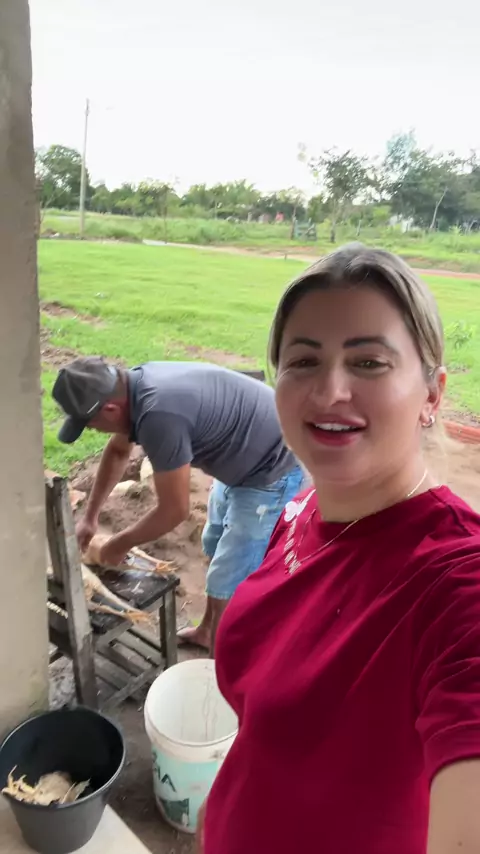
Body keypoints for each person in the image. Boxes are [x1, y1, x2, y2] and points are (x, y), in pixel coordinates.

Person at [199, 244, 480, 854]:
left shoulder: (458, 582)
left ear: (432, 395)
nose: (330, 391)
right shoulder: (305, 507)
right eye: (303, 360)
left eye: (369, 362)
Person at [52, 358, 303, 654]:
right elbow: (119, 452)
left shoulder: (159, 415)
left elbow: (174, 511)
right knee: (215, 543)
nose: (92, 431)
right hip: (241, 455)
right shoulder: (131, 388)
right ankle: (208, 631)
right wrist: (90, 517)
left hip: (272, 468)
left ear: (110, 409)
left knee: (232, 574)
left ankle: (221, 660)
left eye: (90, 425)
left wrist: (119, 544)